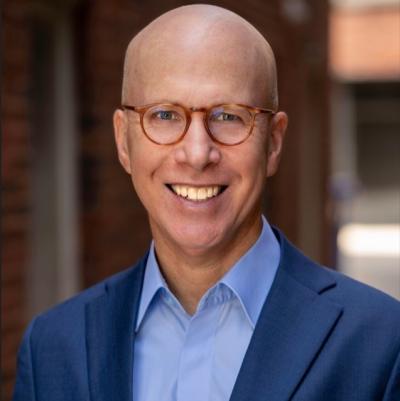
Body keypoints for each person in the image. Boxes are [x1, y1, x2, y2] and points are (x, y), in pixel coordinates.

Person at [13, 4, 400, 401]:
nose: (197, 154)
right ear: (123, 142)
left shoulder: (382, 343)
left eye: (229, 116)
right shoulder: (53, 348)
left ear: (274, 143)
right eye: (164, 115)